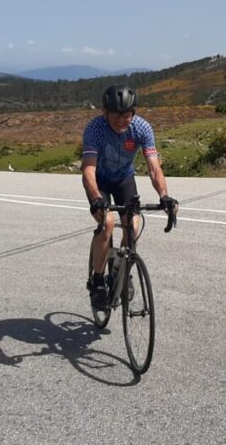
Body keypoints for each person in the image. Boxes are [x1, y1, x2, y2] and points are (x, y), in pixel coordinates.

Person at [82, 84, 178, 309]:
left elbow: (154, 167)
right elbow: (88, 169)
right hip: (99, 180)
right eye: (115, 114)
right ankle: (96, 281)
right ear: (105, 112)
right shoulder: (95, 129)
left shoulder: (142, 128)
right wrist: (97, 198)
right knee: (107, 223)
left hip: (124, 179)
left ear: (133, 113)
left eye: (126, 115)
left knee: (133, 227)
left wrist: (164, 195)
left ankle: (121, 271)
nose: (121, 120)